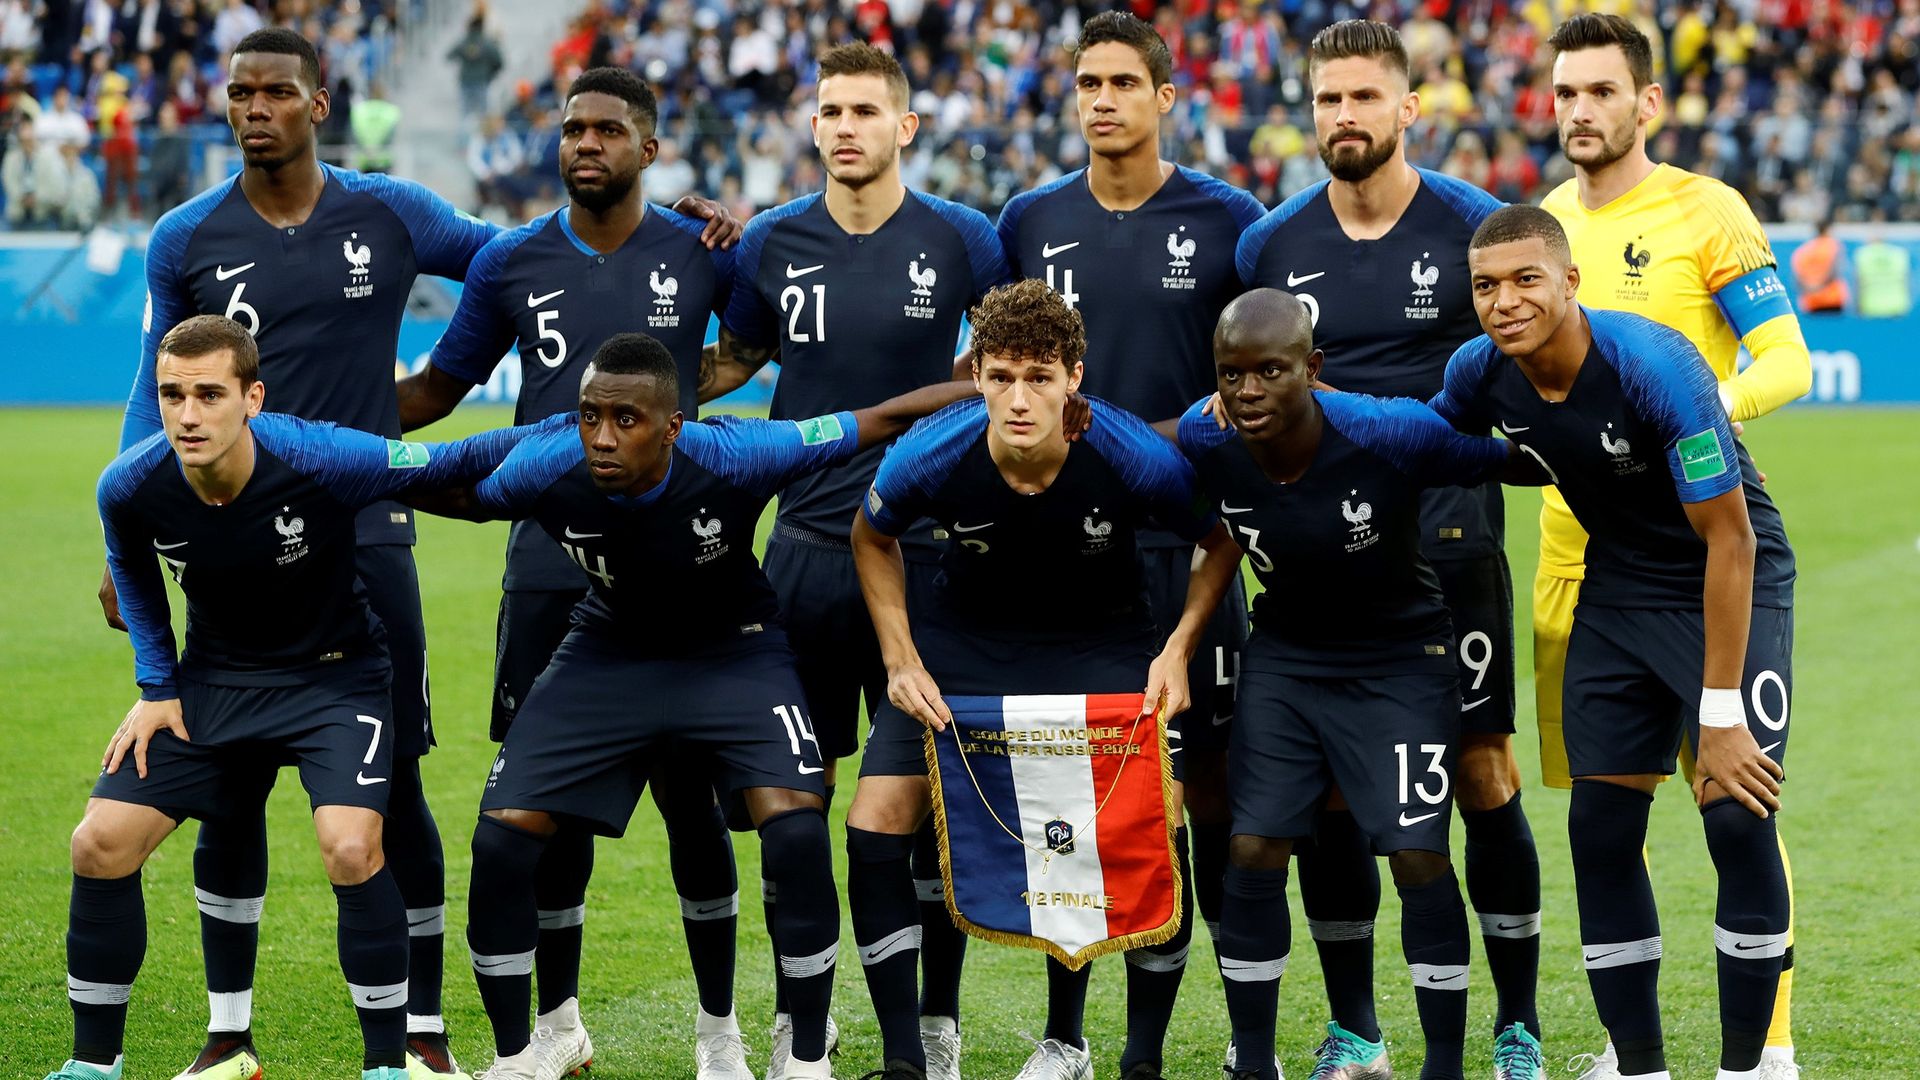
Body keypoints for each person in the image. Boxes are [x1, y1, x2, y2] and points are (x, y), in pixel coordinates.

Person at [100, 28, 738, 1080]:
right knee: (227, 778)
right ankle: (228, 1033)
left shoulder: (391, 213)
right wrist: (128, 529)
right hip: (224, 537)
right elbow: (149, 381)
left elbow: (526, 248)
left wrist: (670, 223)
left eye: (275, 93)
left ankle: (425, 1037)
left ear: (319, 103)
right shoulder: (185, 236)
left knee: (394, 776)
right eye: (238, 93)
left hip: (367, 529)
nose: (253, 109)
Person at [418, 333, 980, 1080]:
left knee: (795, 831)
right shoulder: (551, 460)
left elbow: (874, 420)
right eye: (589, 416)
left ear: (673, 425)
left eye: (625, 420)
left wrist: (988, 394)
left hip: (734, 651)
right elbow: (454, 488)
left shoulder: (736, 453)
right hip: (607, 650)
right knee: (502, 839)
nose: (603, 438)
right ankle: (521, 1055)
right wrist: (307, 465)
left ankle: (804, 1058)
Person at [49, 314, 546, 1080]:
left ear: (252, 397)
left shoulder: (318, 455)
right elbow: (134, 577)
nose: (187, 414)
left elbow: (450, 458)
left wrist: (566, 433)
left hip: (334, 679)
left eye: (209, 394)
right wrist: (156, 686)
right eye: (172, 394)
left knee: (351, 848)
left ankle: (388, 1065)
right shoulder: (131, 483)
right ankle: (92, 1066)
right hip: (214, 685)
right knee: (98, 843)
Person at [394, 66, 749, 1080]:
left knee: (691, 803)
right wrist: (317, 430)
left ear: (649, 145)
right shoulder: (511, 263)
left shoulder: (702, 250)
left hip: (683, 567)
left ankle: (719, 1035)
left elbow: (754, 343)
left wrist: (698, 389)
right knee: (547, 807)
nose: (584, 144)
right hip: (549, 568)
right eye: (571, 130)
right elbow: (434, 390)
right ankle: (557, 1028)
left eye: (606, 130)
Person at [1234, 20, 1542, 1077]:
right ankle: (1357, 1030)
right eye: (1328, 100)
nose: (1345, 117)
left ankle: (1516, 1026)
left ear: (1411, 108)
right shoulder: (1270, 243)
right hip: (1317, 562)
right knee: (1325, 792)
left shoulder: (1469, 227)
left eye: (1366, 97)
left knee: (1484, 773)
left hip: (1450, 550)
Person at [1432, 204, 1795, 1080]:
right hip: (1617, 584)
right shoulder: (1480, 371)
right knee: (1597, 828)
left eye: (1527, 280)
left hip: (1728, 574)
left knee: (1736, 817)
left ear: (1570, 281)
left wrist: (1717, 717)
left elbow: (1732, 541)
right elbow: (1433, 445)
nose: (1506, 301)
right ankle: (1640, 1068)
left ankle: (1751, 1069)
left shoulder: (1656, 365)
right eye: (1486, 285)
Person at [705, 41, 1010, 1080]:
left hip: (929, 562)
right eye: (829, 111)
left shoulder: (965, 237)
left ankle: (935, 1023)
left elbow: (1009, 354)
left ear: (906, 126)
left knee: (917, 815)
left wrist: (951, 415)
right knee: (792, 811)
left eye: (865, 112)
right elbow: (734, 362)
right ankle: (807, 1030)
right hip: (798, 558)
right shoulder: (773, 242)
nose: (844, 128)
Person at [849, 279, 1238, 1080]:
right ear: (977, 375)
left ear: (1074, 378)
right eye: (999, 377)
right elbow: (870, 534)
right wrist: (900, 657)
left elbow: (1221, 540)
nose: (1019, 399)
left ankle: (1105, 1052)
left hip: (1098, 644)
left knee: (1140, 839)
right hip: (964, 643)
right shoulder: (933, 448)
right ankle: (907, 1057)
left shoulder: (1128, 450)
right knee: (875, 826)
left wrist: (1176, 650)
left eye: (1040, 377)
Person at [1537, 16, 1812, 1076]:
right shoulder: (1546, 230)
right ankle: (1630, 1048)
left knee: (1737, 796)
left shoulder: (1709, 211)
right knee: (1609, 813)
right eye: (1566, 92)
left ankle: (1770, 1045)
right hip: (1578, 558)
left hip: (1702, 546)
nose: (1581, 111)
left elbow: (1785, 355)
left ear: (1646, 103)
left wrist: (1712, 416)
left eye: (1602, 91)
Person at [990, 17, 1264, 1076]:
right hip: (1066, 557)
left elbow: (1260, 373)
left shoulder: (1230, 221)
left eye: (1123, 83)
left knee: (1214, 805)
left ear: (1166, 95)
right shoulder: (1029, 220)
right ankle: (1066, 1039)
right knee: (1077, 806)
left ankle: (1185, 1048)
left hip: (1196, 548)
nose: (1103, 100)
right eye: (1087, 83)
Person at [1179, 290, 1528, 1080]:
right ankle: (1256, 1063)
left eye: (1270, 370)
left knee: (1415, 853)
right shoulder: (1210, 434)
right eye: (1231, 374)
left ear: (1314, 370)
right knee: (1253, 842)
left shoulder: (1386, 428)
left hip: (1402, 660)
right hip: (1289, 660)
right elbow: (1164, 480)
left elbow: (1510, 460)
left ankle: (1444, 1064)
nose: (1249, 391)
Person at [1853, 219, 1912, 319]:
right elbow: (1906, 282)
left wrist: (1858, 308)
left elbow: (1858, 284)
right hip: (1896, 307)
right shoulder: (1899, 254)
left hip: (1871, 307)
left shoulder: (1863, 255)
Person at [1787, 219, 1847, 315]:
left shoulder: (1803, 251)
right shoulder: (1833, 246)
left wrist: (1812, 289)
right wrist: (1820, 287)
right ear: (1828, 230)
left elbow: (1797, 278)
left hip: (1811, 300)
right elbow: (1835, 271)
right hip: (1832, 299)